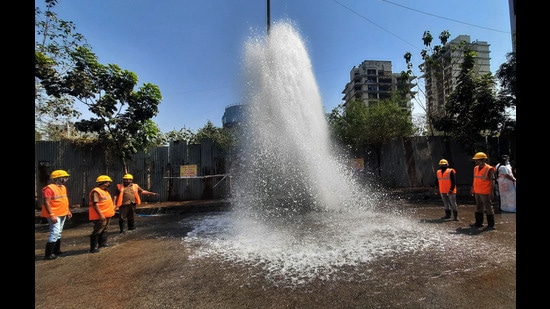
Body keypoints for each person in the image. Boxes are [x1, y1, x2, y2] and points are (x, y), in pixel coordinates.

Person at [41, 170, 73, 260]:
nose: (66, 179)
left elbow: (64, 201)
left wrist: (68, 211)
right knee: (54, 232)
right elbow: (46, 202)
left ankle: (56, 250)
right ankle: (48, 254)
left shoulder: (63, 187)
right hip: (54, 214)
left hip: (62, 213)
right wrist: (51, 214)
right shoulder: (49, 188)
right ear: (59, 178)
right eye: (65, 177)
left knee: (59, 232)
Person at [88, 175, 116, 253]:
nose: (109, 184)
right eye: (107, 182)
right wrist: (101, 215)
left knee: (105, 229)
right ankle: (93, 248)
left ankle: (102, 243)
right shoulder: (96, 191)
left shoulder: (105, 190)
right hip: (100, 216)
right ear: (103, 183)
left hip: (107, 214)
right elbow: (95, 204)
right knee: (97, 230)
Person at [470, 152, 497, 230]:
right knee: (478, 207)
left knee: (488, 208)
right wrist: (472, 188)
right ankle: (478, 223)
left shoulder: (489, 169)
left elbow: (492, 181)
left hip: (485, 192)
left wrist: (491, 192)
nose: (476, 162)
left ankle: (491, 225)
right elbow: (475, 179)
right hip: (477, 191)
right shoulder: (475, 168)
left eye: (478, 160)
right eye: (476, 161)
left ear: (483, 160)